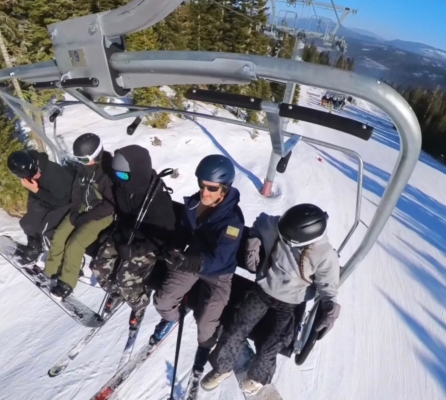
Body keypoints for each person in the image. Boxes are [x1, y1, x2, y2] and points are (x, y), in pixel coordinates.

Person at [202, 204, 341, 395]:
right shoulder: (278, 225)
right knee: (235, 328)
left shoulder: (325, 254)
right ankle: (223, 367)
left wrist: (330, 310)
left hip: (290, 304)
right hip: (262, 291)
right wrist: (254, 241)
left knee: (271, 345)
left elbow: (328, 287)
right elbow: (260, 222)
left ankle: (257, 377)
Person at [152, 154, 245, 373]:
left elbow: (221, 258)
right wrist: (175, 248)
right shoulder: (195, 204)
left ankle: (205, 345)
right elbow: (184, 231)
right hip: (191, 261)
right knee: (163, 301)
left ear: (224, 189)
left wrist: (190, 262)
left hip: (218, 272)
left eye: (212, 188)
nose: (204, 192)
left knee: (205, 321)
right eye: (202, 185)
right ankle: (172, 318)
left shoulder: (233, 221)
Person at [92, 144, 176, 320]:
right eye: (116, 174)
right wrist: (115, 233)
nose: (119, 179)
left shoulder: (157, 200)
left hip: (148, 244)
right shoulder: (123, 188)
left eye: (123, 175)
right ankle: (116, 292)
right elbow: (124, 216)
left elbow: (164, 237)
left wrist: (136, 249)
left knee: (125, 278)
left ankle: (139, 303)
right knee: (100, 266)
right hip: (128, 235)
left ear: (137, 172)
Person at [44, 133, 115, 299]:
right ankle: (52, 270)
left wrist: (85, 218)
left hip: (101, 215)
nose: (81, 162)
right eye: (78, 159)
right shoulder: (83, 169)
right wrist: (75, 210)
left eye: (83, 159)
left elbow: (110, 205)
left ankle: (67, 282)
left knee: (75, 244)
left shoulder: (107, 174)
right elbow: (76, 191)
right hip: (82, 208)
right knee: (59, 235)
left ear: (96, 155)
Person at [7, 150, 72, 264]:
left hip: (67, 203)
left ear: (35, 162)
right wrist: (35, 197)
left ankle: (64, 260)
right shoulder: (30, 176)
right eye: (30, 175)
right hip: (49, 200)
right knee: (27, 223)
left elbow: (62, 201)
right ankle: (34, 248)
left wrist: (36, 190)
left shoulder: (53, 173)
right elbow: (33, 199)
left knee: (45, 231)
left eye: (35, 170)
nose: (36, 175)